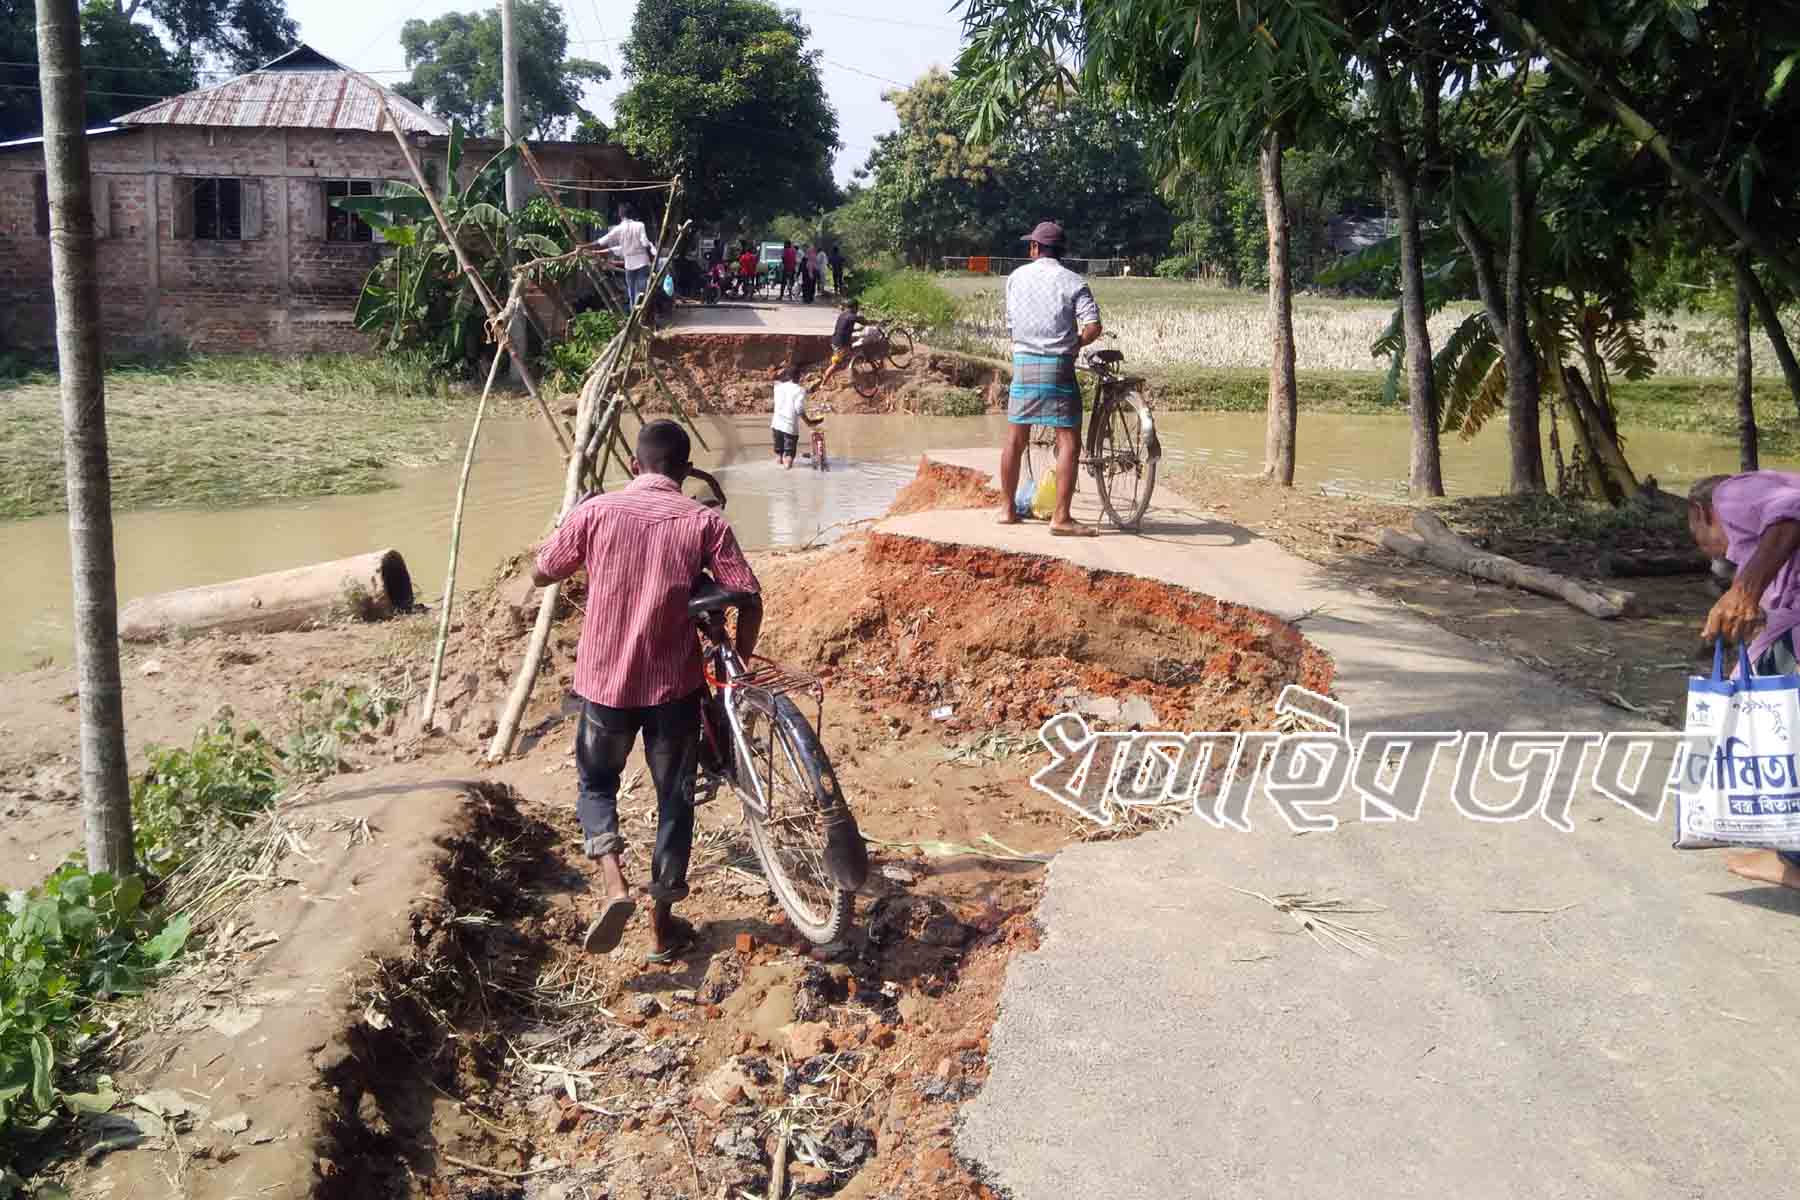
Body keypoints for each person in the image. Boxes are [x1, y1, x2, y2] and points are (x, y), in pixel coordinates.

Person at [532, 420, 763, 962]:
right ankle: (663, 926)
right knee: (674, 801)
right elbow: (748, 597)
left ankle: (614, 884)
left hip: (603, 686)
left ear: (635, 466)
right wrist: (739, 666)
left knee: (595, 785)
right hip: (673, 691)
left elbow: (543, 572)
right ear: (684, 471)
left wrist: (576, 530)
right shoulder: (704, 521)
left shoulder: (596, 512)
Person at [1687, 471, 1800, 890]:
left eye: (1696, 533)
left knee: (1766, 732)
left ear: (1702, 513)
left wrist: (1746, 591)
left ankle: (1791, 861)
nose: (1704, 547)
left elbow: (1792, 511)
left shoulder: (1730, 493)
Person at [997, 220, 1103, 537]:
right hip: (1058, 365)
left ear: (1034, 248)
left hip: (1024, 363)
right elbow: (1093, 325)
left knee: (1015, 439)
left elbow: (1012, 324)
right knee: (1069, 440)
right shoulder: (1073, 281)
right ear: (1061, 251)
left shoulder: (1016, 278)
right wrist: (1077, 343)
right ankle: (1061, 517)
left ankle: (1006, 510)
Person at [595, 203, 658, 311]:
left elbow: (603, 240)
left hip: (629, 264)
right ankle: (643, 314)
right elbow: (645, 243)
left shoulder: (618, 228)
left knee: (631, 292)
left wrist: (584, 246)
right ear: (632, 214)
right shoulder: (640, 225)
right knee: (642, 290)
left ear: (620, 215)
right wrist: (651, 259)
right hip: (642, 262)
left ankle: (633, 315)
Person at [770, 366, 823, 469]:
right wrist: (809, 422)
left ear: (787, 376)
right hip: (789, 428)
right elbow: (799, 409)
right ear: (799, 377)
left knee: (780, 456)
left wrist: (780, 367)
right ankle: (788, 479)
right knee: (789, 456)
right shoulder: (799, 390)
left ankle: (779, 478)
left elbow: (773, 375)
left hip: (776, 426)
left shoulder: (777, 387)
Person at [817, 299, 866, 389]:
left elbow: (843, 329)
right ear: (855, 307)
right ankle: (823, 384)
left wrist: (856, 330)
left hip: (836, 341)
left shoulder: (843, 314)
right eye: (857, 308)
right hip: (841, 345)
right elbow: (864, 321)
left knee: (849, 356)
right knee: (836, 364)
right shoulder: (851, 316)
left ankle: (853, 373)